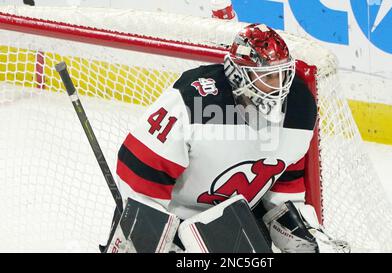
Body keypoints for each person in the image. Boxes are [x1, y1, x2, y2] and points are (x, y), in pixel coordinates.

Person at [112, 23, 348, 253]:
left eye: (282, 74)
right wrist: (153, 235)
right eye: (267, 76)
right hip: (174, 219)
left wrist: (301, 235)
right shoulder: (194, 102)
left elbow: (287, 177)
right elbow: (139, 172)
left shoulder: (299, 105)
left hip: (236, 220)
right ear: (237, 74)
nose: (279, 87)